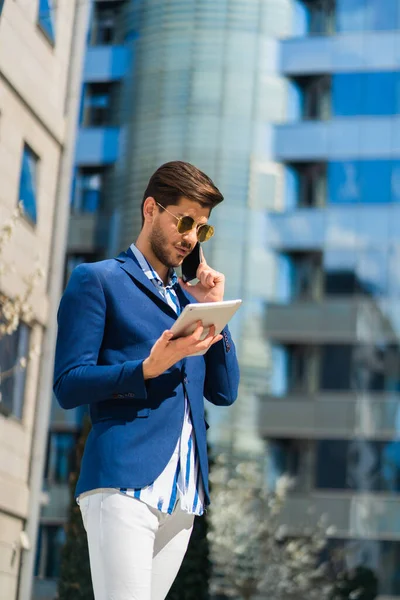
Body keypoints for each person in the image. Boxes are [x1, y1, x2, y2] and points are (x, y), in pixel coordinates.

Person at [53, 161, 240, 600]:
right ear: (151, 208)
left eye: (202, 230)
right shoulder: (97, 280)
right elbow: (68, 383)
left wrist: (216, 311)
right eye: (185, 221)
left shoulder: (187, 301)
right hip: (123, 481)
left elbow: (224, 391)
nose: (191, 237)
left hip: (183, 496)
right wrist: (145, 370)